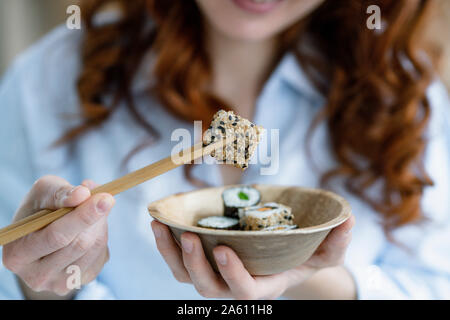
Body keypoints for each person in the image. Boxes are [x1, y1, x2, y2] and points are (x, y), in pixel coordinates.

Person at [0, 0, 449, 300]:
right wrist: (42, 283)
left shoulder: (402, 92)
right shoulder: (49, 79)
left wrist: (312, 277)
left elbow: (435, 283)